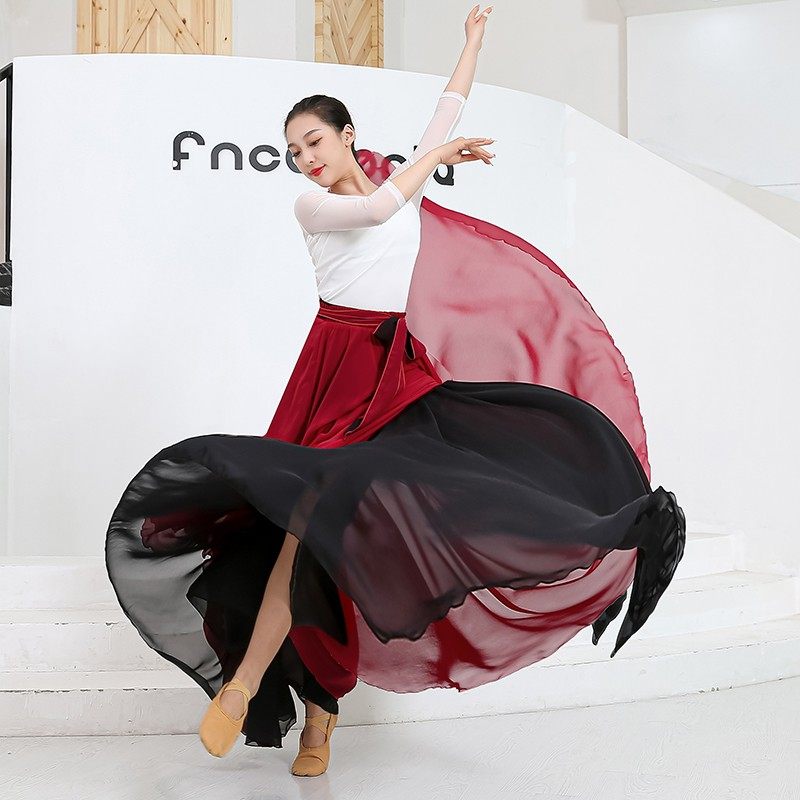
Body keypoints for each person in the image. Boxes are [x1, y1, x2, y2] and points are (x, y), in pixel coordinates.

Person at [104, 2, 686, 779]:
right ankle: (248, 690)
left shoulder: (389, 176)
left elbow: (445, 111)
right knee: (300, 532)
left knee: (361, 533)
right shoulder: (316, 205)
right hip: (335, 376)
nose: (304, 158)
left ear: (347, 135)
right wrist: (434, 154)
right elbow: (382, 206)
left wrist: (472, 43)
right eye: (293, 150)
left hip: (398, 380)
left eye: (314, 141)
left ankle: (315, 716)